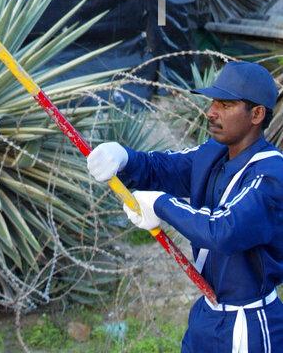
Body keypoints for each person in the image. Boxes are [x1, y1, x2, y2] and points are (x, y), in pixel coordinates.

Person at [87, 61, 283, 353]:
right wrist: (124, 158)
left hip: (247, 324)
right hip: (208, 313)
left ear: (256, 114)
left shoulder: (270, 175)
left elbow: (224, 229)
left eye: (226, 104)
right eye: (213, 101)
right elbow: (163, 168)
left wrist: (161, 204)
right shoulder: (214, 154)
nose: (211, 112)